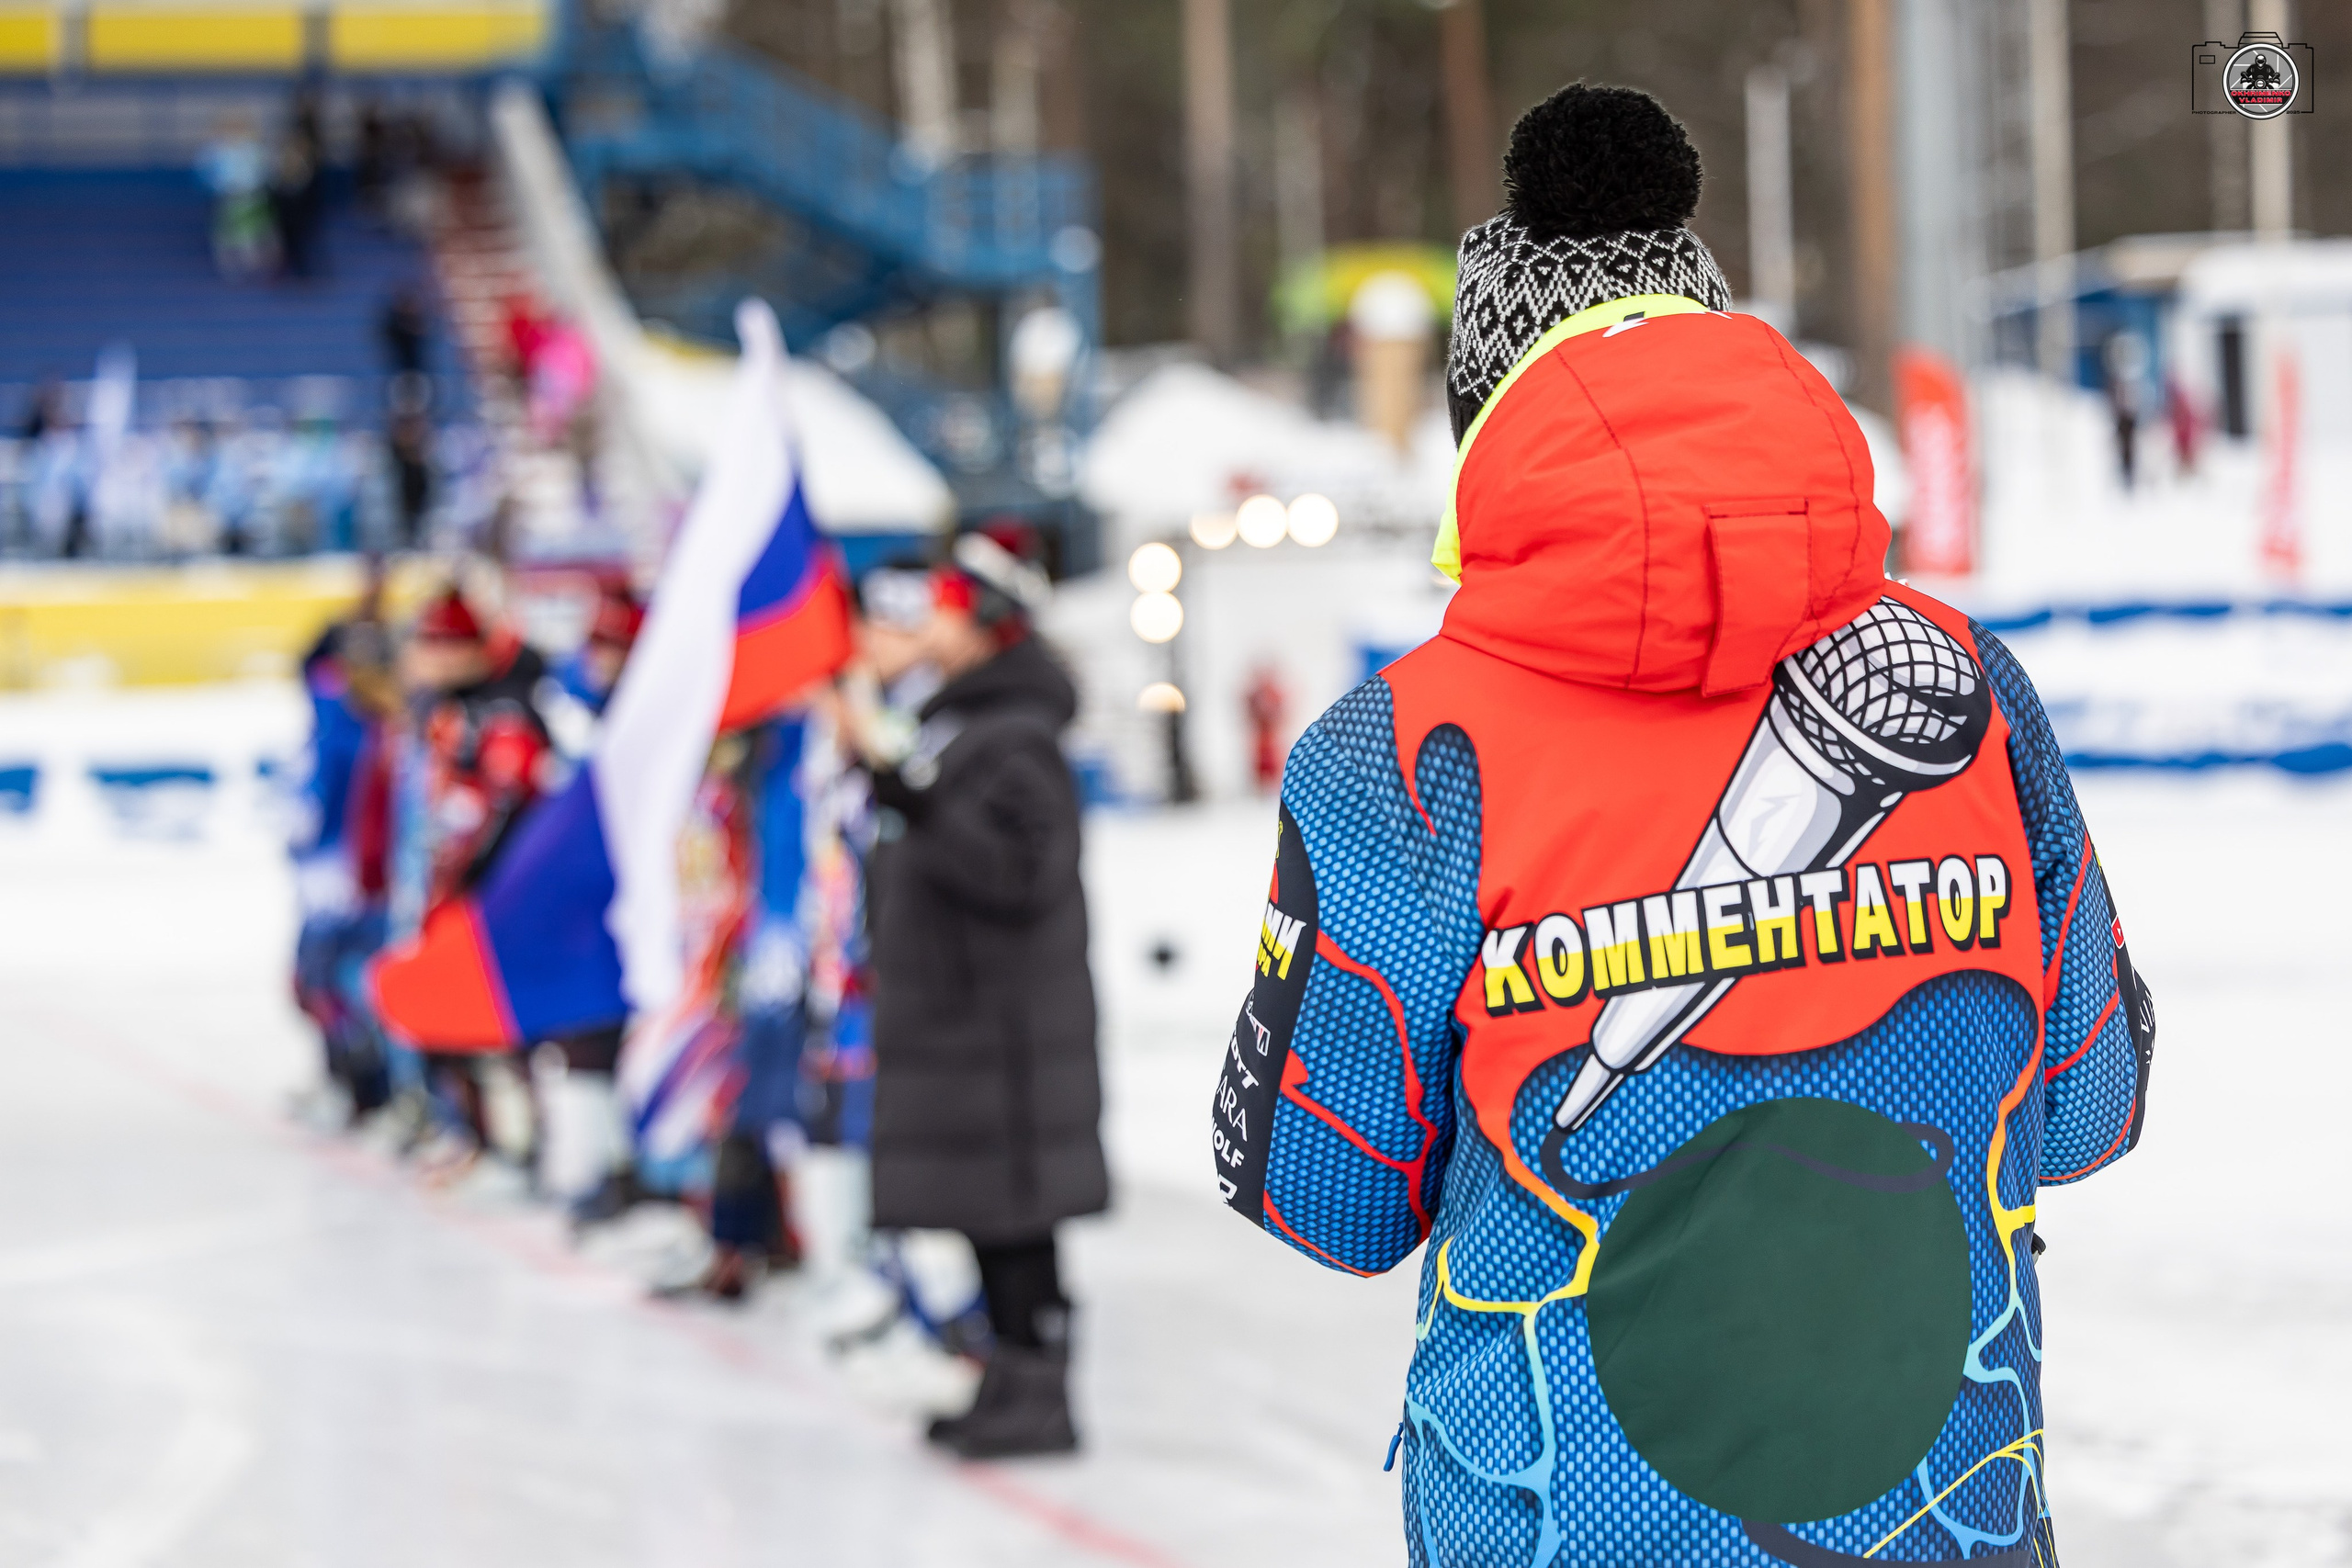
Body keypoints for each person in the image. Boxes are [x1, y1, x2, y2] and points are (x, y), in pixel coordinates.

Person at [1210, 85, 2157, 1567]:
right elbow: (2090, 1105)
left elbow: (1325, 1193)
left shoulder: (1395, 748)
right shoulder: (1971, 685)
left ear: (1484, 430)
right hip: (1943, 1523)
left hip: (1556, 1515)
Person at [862, 534, 1105, 1459]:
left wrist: (917, 806)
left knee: (1017, 1226)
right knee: (987, 1221)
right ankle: (1008, 1379)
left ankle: (1040, 1392)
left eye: (952, 610)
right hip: (966, 1025)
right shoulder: (960, 719)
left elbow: (1021, 871)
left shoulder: (1017, 733)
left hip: (1005, 1033)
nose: (934, 624)